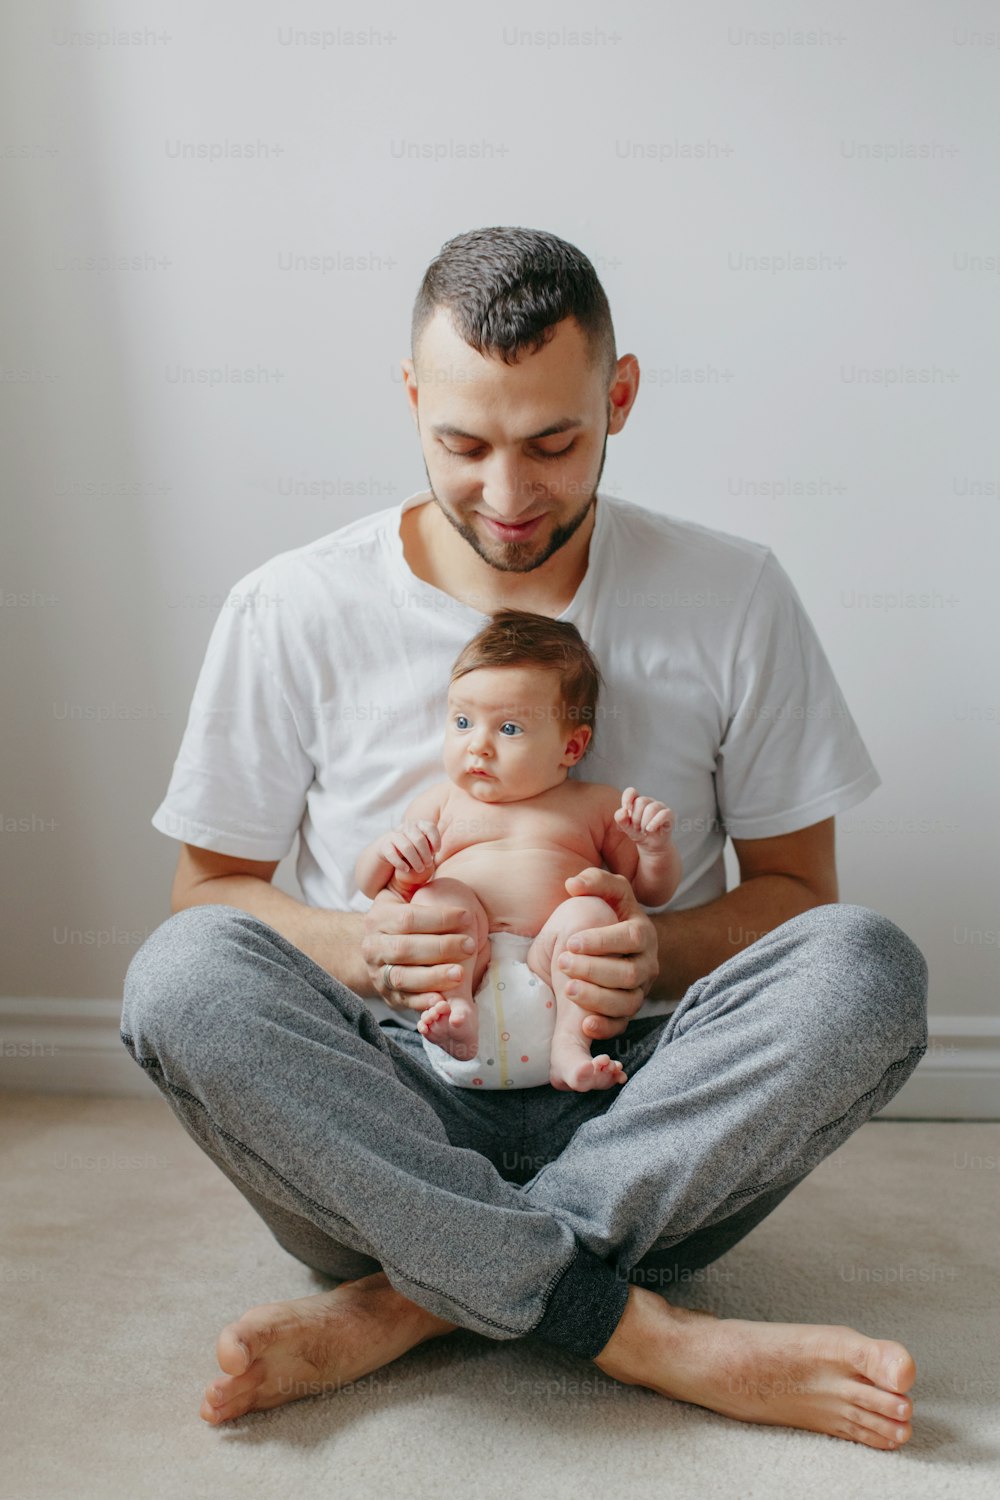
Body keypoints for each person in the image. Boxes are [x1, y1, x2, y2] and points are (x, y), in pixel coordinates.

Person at [121, 226, 928, 1449]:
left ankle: (414, 1297)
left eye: (554, 442)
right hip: (386, 1115)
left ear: (619, 396)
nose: (507, 497)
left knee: (868, 965)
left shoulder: (732, 593)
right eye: (463, 444)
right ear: (409, 401)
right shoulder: (291, 605)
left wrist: (652, 951)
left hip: (643, 1113)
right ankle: (634, 1331)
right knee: (176, 979)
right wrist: (364, 949)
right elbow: (210, 892)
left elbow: (796, 897)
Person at [354, 608, 682, 1092]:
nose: (478, 746)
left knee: (590, 913)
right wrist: (392, 849)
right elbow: (372, 884)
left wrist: (653, 848)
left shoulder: (595, 806)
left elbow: (651, 893)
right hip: (468, 961)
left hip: (555, 963)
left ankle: (570, 1046)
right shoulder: (440, 801)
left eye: (509, 729)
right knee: (438, 896)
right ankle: (457, 1012)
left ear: (571, 748)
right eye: (463, 721)